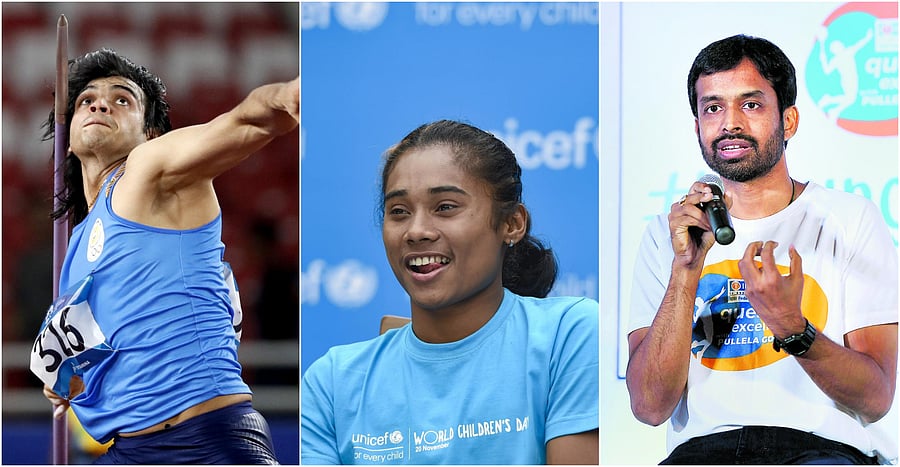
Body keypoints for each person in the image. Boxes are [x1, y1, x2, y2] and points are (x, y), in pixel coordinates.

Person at [626, 34, 898, 464]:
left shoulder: (850, 219)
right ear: (697, 126)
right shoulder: (670, 233)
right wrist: (686, 270)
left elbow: (875, 397)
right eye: (713, 107)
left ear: (788, 122)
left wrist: (792, 327)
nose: (729, 123)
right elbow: (649, 406)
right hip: (702, 455)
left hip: (818, 451)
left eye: (750, 104)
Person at [30, 48, 298, 464]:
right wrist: (73, 375)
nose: (100, 103)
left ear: (151, 134)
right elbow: (116, 346)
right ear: (68, 141)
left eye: (123, 99)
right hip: (129, 449)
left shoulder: (147, 169)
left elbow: (248, 120)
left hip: (202, 442)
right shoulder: (77, 245)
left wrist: (287, 97)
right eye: (86, 100)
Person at [301, 120, 599, 464]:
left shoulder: (569, 335)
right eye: (398, 212)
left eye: (445, 207)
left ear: (511, 224)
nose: (416, 231)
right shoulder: (332, 381)